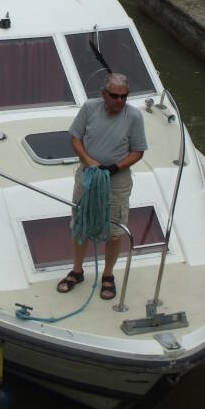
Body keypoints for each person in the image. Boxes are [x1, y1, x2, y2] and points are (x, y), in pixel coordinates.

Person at [57, 73, 148, 299]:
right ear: (103, 94)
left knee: (114, 231)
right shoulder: (89, 109)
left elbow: (138, 151)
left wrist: (115, 168)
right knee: (81, 224)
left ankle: (108, 275)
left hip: (116, 183)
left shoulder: (134, 116)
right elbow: (75, 138)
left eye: (124, 97)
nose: (120, 101)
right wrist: (89, 162)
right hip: (87, 177)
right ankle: (77, 271)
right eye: (115, 96)